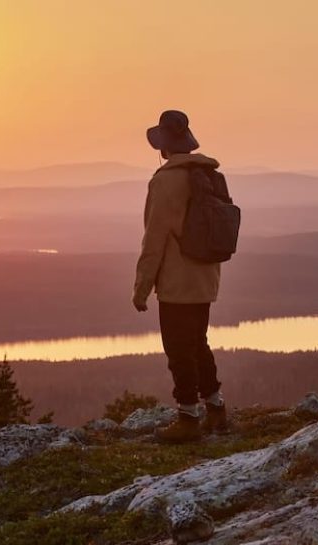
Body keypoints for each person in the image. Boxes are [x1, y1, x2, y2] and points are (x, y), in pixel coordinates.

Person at [133, 110, 228, 442]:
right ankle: (216, 409)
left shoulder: (165, 181)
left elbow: (154, 239)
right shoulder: (209, 173)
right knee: (197, 343)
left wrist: (142, 288)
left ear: (163, 146)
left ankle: (188, 418)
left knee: (178, 349)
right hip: (206, 278)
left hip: (177, 282)